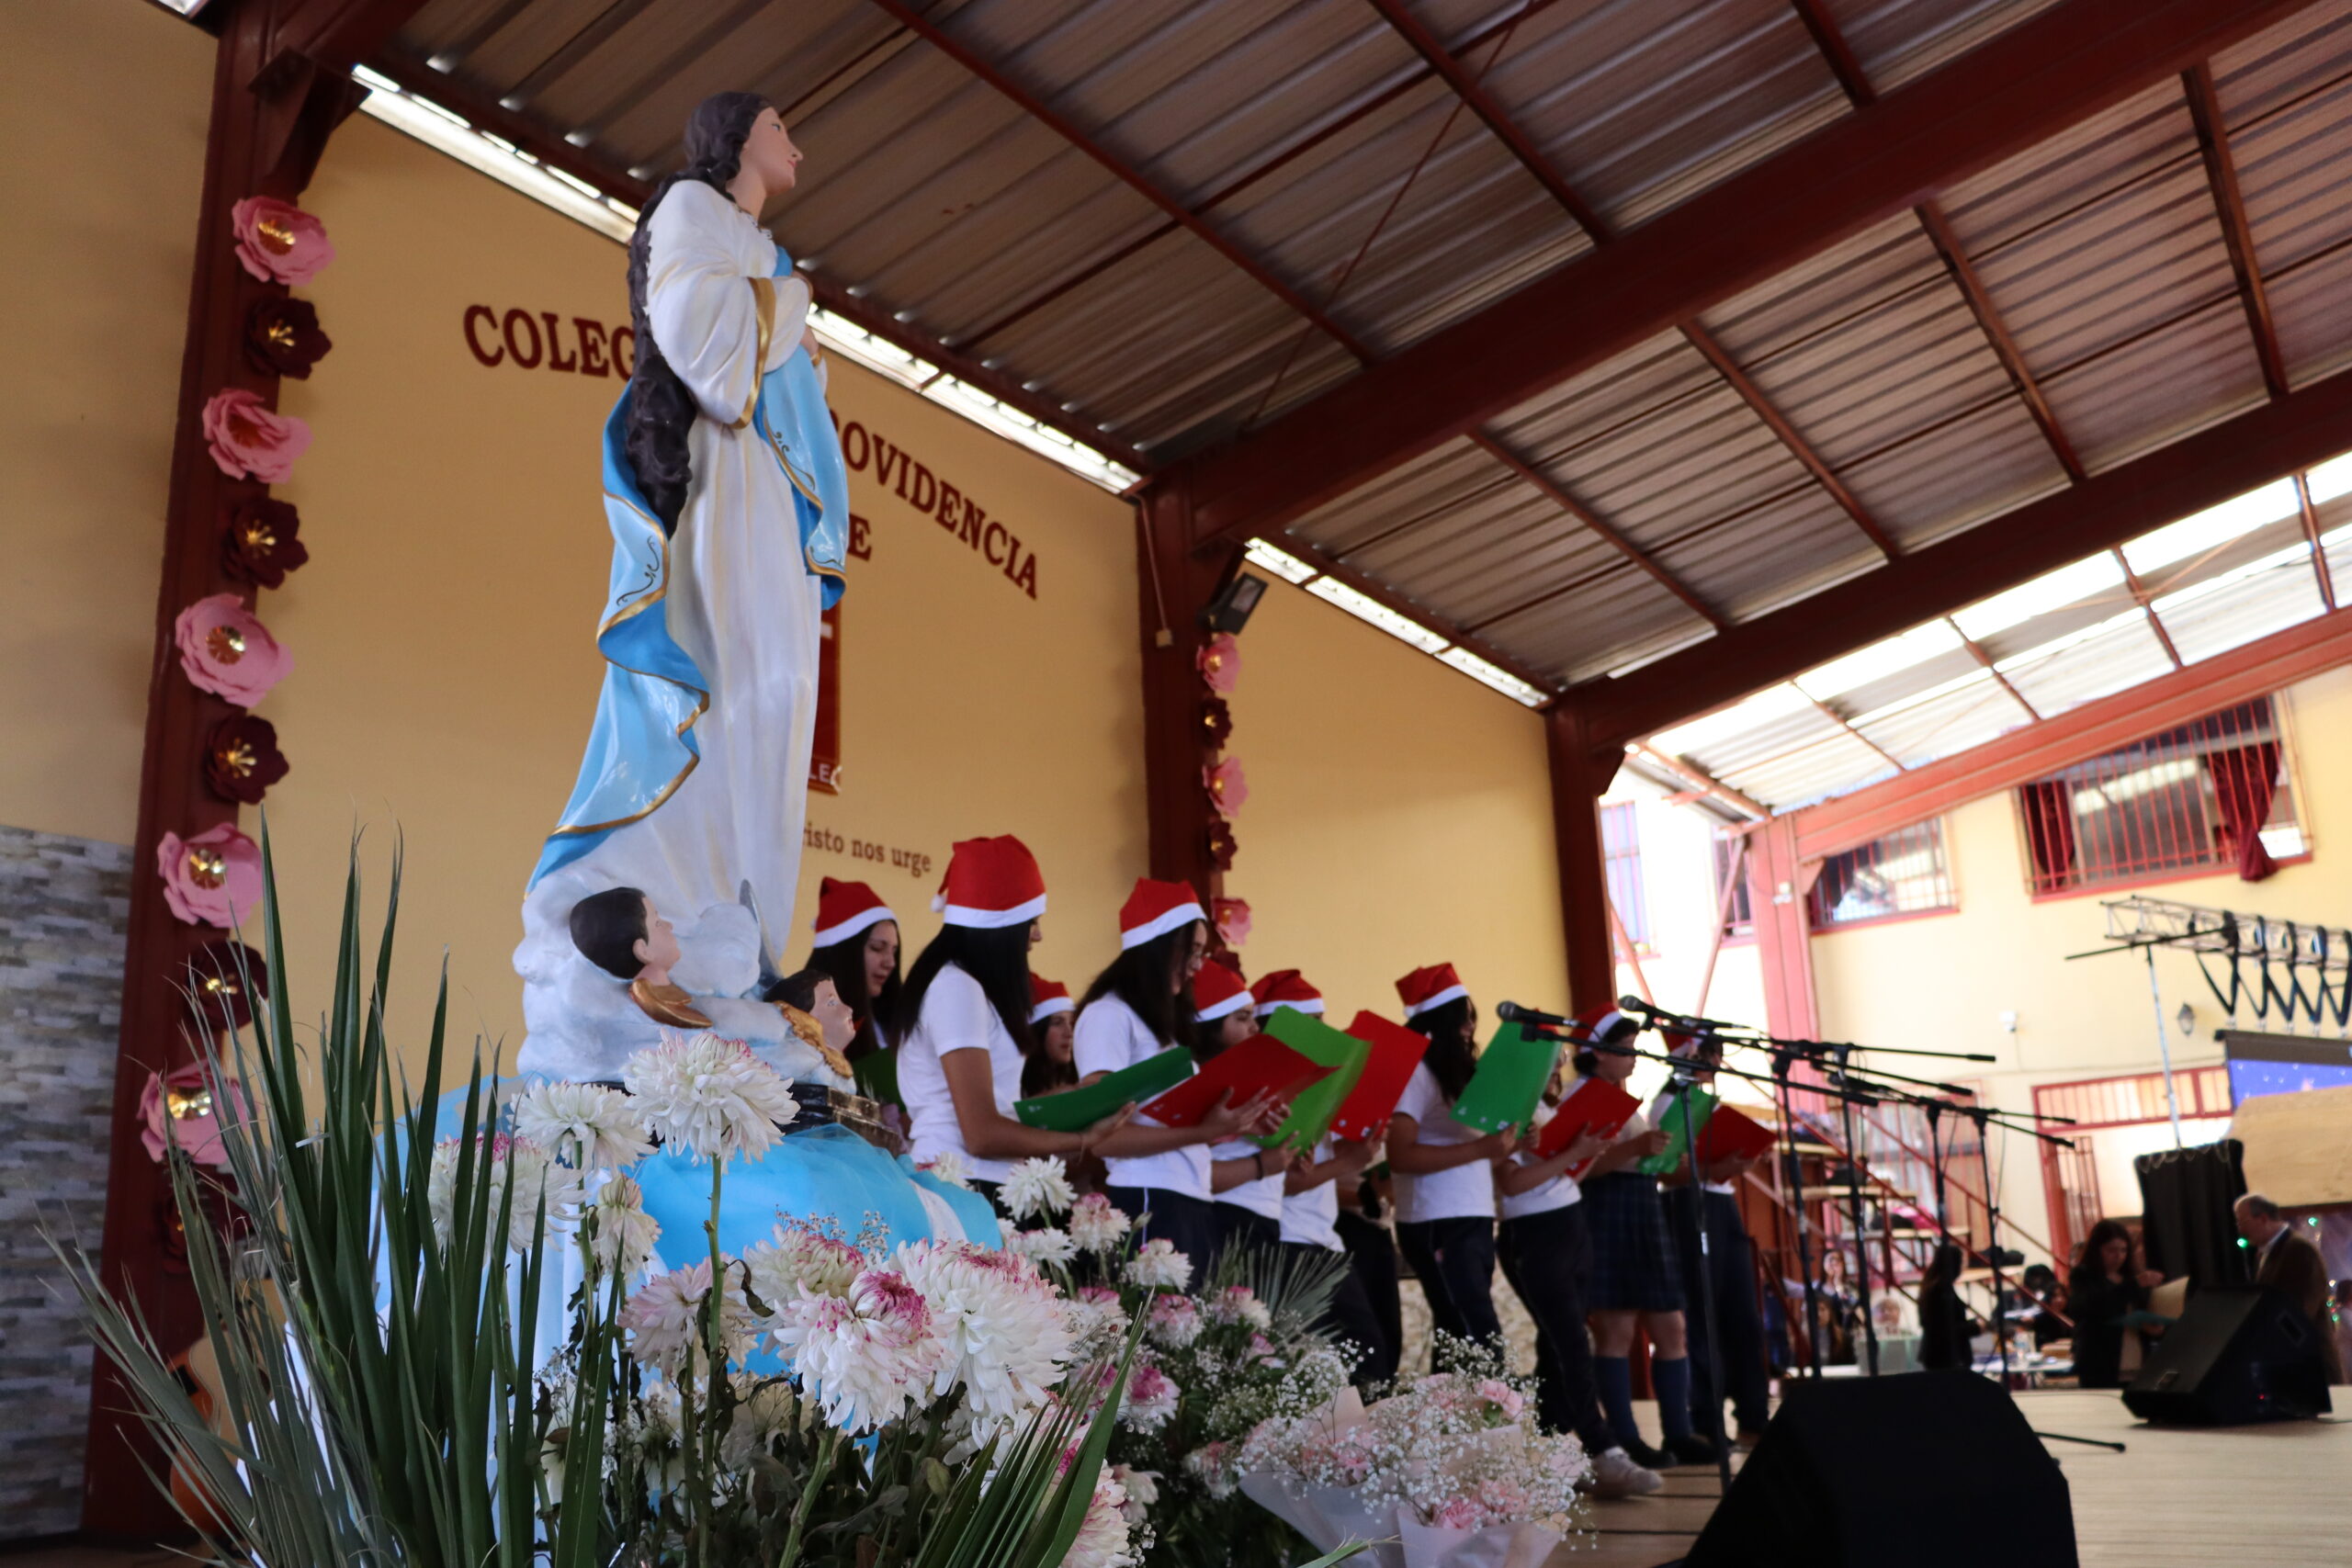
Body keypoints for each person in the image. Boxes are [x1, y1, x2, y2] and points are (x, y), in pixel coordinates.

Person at [521, 92, 846, 982]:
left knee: (777, 691)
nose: (796, 148)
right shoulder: (690, 208)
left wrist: (787, 320)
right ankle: (688, 891)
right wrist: (793, 302)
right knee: (727, 668)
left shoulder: (762, 248)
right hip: (726, 484)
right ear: (736, 139)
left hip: (770, 493)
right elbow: (707, 347)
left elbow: (788, 375)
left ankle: (743, 929)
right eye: (780, 129)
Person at [1443, 977, 1658, 1502]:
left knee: (1556, 1345)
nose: (1561, 1063)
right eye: (1552, 1056)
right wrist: (1573, 1153)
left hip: (1569, 1223)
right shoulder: (1508, 1110)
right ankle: (1604, 1448)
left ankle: (1547, 1450)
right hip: (1533, 1233)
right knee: (1571, 1343)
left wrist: (1583, 1152)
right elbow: (1513, 1184)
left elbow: (1565, 1174)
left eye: (1561, 1055)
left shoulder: (1546, 1109)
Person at [897, 837, 1131, 1206]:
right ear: (1000, 927)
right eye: (1031, 922)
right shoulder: (956, 987)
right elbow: (981, 1135)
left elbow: (997, 1111)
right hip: (960, 1183)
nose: (1037, 935)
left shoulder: (964, 986)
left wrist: (1076, 1097)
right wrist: (1083, 1140)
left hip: (982, 1180)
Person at [1074, 880, 1277, 1276]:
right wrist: (1201, 1133)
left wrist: (1240, 1121)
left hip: (1189, 1195)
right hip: (1149, 1194)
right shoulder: (1109, 1015)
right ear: (1160, 947)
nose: (1199, 966)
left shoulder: (1162, 1027)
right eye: (1194, 951)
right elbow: (1104, 1135)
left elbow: (1174, 1120)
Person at [1577, 1009, 1713, 1470]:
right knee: (1616, 1330)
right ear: (1597, 1052)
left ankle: (1679, 1431)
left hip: (1643, 1207)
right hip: (1606, 1209)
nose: (1633, 1056)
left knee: (1671, 1326)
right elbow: (1579, 1166)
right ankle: (1625, 1437)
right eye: (1625, 1048)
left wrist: (1665, 1156)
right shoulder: (1583, 1096)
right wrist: (1636, 1148)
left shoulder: (1624, 1098)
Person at [1656, 1032, 1772, 1449]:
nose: (1715, 1063)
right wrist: (1717, 1167)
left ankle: (1754, 1415)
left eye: (1718, 1055)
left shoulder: (1710, 1102)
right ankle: (1706, 1421)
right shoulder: (1667, 1103)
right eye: (1707, 1054)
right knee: (1702, 1316)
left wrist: (1745, 1157)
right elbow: (1664, 1169)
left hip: (1722, 1203)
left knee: (1743, 1314)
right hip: (1687, 1204)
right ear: (1685, 1055)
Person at [1388, 974, 1512, 1358]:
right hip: (1436, 1218)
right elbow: (1401, 1155)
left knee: (1458, 1337)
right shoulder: (1416, 1071)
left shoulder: (1458, 1075)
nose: (1470, 1027)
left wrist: (1509, 1144)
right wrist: (1481, 1149)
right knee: (1475, 1337)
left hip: (1472, 1213)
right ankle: (1490, 1398)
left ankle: (1447, 1401)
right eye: (1462, 1018)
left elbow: (1478, 1152)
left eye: (1472, 1018)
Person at [1205, 963, 1299, 1257]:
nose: (1254, 1028)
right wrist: (1261, 1164)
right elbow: (1191, 1168)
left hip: (1266, 1214)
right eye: (1243, 1018)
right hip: (1226, 1214)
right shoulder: (1202, 1080)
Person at [802, 878, 904, 1107]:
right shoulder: (804, 1024)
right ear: (845, 954)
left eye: (894, 951)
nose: (890, 963)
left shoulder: (889, 1023)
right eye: (877, 948)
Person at [2236, 1192, 2343, 1382]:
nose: (2240, 1229)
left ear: (2263, 1219)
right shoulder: (2266, 1254)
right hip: (2291, 1366)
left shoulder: (2299, 1250)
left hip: (2311, 1369)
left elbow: (2299, 1314)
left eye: (2243, 1222)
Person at [2066, 1217, 2163, 1389]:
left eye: (2123, 1250)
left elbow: (2138, 1313)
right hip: (2100, 1363)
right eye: (2111, 1250)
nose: (2119, 1256)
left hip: (2137, 1358)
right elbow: (2093, 1307)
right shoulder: (2083, 1276)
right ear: (2097, 1249)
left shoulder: (2131, 1276)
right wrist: (2134, 1285)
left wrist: (2152, 1325)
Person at [1917, 1243, 1979, 1371]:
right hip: (1945, 1357)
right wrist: (1976, 1327)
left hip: (1939, 1355)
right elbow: (1946, 1328)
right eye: (1961, 1263)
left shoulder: (1932, 1286)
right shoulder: (1941, 1290)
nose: (1962, 1268)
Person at [1022, 975, 1078, 1098]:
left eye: (1071, 1023)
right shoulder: (1014, 1085)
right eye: (1057, 1023)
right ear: (1036, 1031)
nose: (1069, 1033)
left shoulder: (1077, 1075)